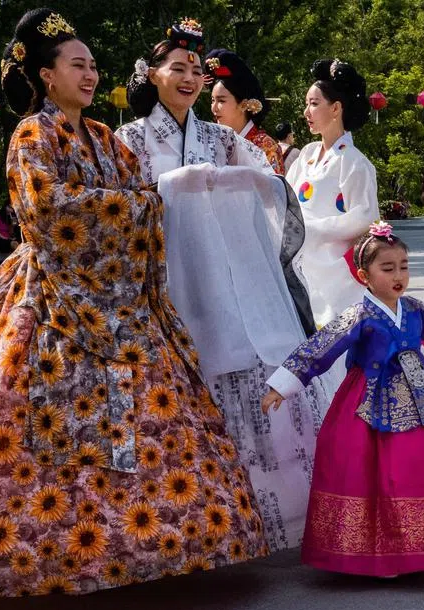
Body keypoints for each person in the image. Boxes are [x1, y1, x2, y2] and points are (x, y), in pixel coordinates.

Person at [0, 9, 268, 597]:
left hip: (120, 299)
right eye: (79, 65)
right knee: (38, 424)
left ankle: (157, 542)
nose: (91, 74)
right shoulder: (31, 135)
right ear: (47, 76)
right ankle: (50, 555)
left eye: (94, 65)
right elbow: (48, 211)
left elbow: (134, 193)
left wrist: (144, 201)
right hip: (48, 298)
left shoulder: (101, 137)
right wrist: (142, 204)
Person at [117, 20, 324, 551]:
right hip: (168, 285)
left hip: (230, 283)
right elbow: (119, 210)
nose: (189, 78)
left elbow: (273, 190)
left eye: (196, 71)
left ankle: (275, 517)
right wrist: (166, 187)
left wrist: (256, 182)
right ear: (152, 75)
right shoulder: (129, 140)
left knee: (252, 377)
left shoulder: (221, 138)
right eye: (177, 68)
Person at [261, 223, 424, 576]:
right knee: (372, 470)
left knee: (421, 464)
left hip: (420, 394)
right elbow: (322, 347)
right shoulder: (359, 315)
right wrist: (282, 385)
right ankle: (380, 553)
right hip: (367, 398)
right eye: (387, 268)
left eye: (404, 266)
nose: (398, 276)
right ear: (364, 275)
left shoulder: (415, 310)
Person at [286, 58, 377, 331]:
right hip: (301, 260)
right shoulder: (307, 154)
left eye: (314, 104)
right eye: (307, 103)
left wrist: (312, 229)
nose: (306, 111)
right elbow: (285, 197)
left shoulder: (354, 162)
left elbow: (365, 216)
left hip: (336, 270)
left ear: (336, 108)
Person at [205, 48, 284, 173]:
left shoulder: (265, 147)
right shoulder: (213, 144)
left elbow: (274, 191)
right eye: (212, 100)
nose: (214, 108)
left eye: (221, 101)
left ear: (243, 104)